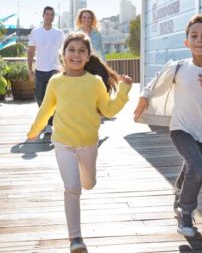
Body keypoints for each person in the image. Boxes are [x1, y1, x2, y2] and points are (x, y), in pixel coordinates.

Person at [134, 14, 202, 237]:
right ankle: (186, 211)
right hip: (180, 128)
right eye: (194, 36)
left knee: (191, 166)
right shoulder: (179, 67)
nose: (199, 41)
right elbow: (155, 82)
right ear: (187, 42)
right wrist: (144, 97)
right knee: (198, 168)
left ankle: (180, 194)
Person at [27, 33, 132, 252]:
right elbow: (46, 109)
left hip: (88, 144)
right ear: (63, 54)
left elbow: (109, 109)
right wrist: (34, 131)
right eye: (71, 50)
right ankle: (75, 239)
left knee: (89, 183)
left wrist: (123, 91)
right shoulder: (56, 81)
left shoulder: (94, 82)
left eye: (81, 50)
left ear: (87, 56)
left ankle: (88, 180)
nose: (76, 54)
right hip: (63, 143)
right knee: (72, 189)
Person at [27, 6, 65, 134]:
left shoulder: (59, 33)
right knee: (39, 96)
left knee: (53, 97)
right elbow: (31, 51)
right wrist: (30, 70)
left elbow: (64, 52)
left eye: (51, 15)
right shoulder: (35, 32)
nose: (49, 17)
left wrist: (66, 68)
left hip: (55, 68)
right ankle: (46, 118)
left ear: (54, 17)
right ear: (43, 16)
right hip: (39, 69)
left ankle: (50, 123)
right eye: (47, 14)